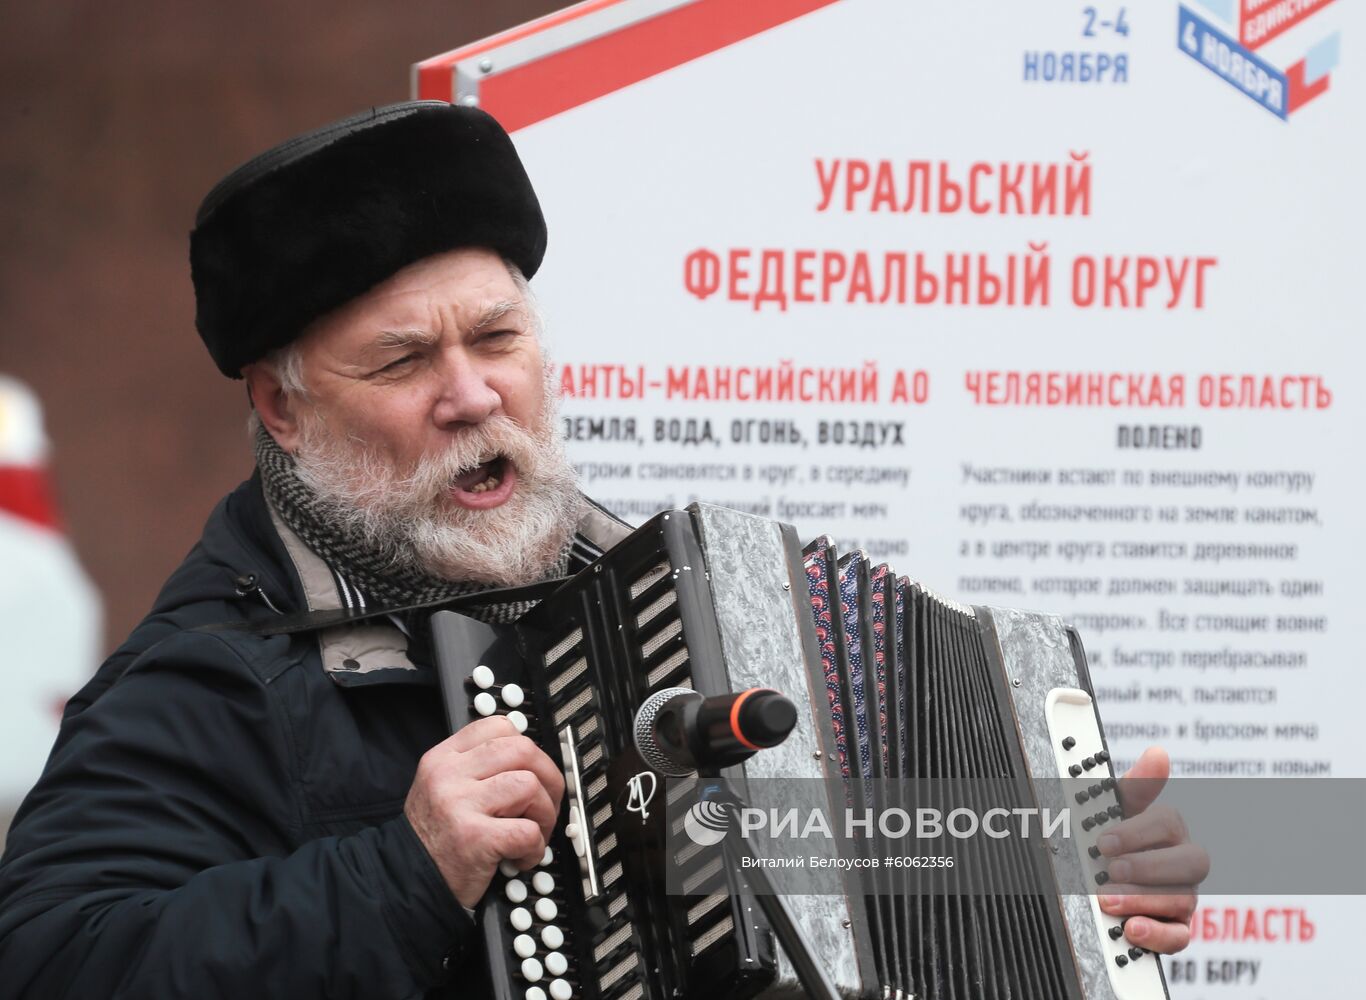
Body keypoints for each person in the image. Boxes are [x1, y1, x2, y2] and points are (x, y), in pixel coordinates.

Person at [0, 101, 1206, 998]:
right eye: (403, 361)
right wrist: (403, 871)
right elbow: (53, 960)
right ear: (280, 408)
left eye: (497, 338)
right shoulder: (211, 674)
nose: (472, 395)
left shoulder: (671, 593)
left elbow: (858, 907)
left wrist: (1056, 885)